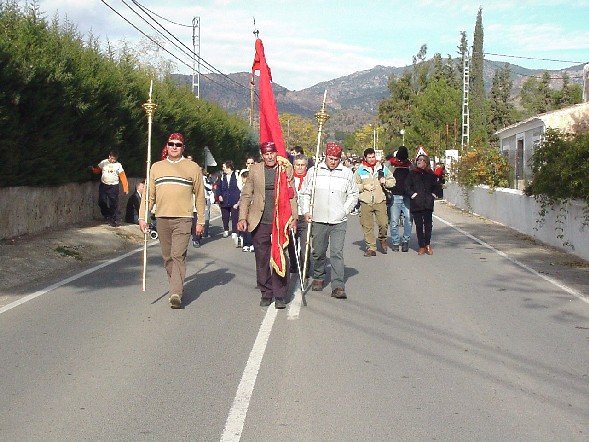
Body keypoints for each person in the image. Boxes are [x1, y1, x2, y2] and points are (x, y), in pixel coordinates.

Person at [138, 133, 205, 309]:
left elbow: (200, 196)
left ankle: (175, 293)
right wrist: (142, 217)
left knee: (178, 255)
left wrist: (201, 221)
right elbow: (148, 195)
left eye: (178, 144)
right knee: (167, 257)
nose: (174, 147)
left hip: (183, 218)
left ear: (183, 147)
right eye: (171, 144)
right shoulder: (156, 167)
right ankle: (176, 284)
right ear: (166, 146)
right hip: (162, 218)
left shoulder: (192, 168)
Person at [237, 141, 298, 309]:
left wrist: (294, 217)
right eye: (266, 154)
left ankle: (280, 294)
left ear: (276, 153)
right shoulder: (255, 170)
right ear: (262, 155)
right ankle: (266, 291)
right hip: (260, 220)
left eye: (272, 153)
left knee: (281, 257)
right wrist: (242, 217)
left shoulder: (285, 169)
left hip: (280, 220)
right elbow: (246, 195)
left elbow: (292, 195)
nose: (270, 156)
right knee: (262, 258)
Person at [299, 142, 359, 299]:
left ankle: (338, 285)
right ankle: (319, 276)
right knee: (318, 252)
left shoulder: (346, 173)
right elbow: (305, 193)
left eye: (336, 159)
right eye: (330, 158)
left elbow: (353, 194)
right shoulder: (314, 172)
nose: (333, 161)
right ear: (325, 156)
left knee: (336, 253)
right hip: (318, 219)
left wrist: (344, 210)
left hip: (338, 220)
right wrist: (306, 211)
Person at [354, 147, 396, 256]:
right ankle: (371, 247)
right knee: (367, 226)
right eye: (369, 157)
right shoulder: (360, 170)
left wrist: (385, 181)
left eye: (373, 157)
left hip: (380, 200)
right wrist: (364, 186)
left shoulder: (382, 168)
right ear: (365, 158)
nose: (372, 159)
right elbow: (353, 186)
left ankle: (382, 239)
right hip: (366, 201)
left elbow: (393, 182)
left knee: (383, 223)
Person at [405, 153, 442, 256]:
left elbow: (437, 186)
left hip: (428, 203)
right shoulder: (412, 173)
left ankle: (427, 244)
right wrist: (413, 195)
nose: (419, 161)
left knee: (428, 225)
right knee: (419, 226)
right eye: (418, 160)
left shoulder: (431, 174)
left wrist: (433, 195)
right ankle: (421, 245)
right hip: (416, 203)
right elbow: (407, 186)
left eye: (421, 160)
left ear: (426, 162)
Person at [91, 150, 129, 227]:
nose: (113, 160)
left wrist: (125, 188)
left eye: (114, 159)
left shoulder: (118, 165)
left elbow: (123, 176)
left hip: (113, 186)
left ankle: (113, 219)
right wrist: (93, 170)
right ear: (109, 156)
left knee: (113, 203)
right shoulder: (104, 162)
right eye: (111, 158)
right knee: (101, 201)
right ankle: (107, 214)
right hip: (104, 185)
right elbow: (98, 170)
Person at [387, 146, 413, 252]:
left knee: (408, 219)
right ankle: (396, 242)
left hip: (407, 196)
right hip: (395, 195)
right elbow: (385, 175)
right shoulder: (391, 164)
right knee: (394, 220)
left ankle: (405, 241)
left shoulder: (410, 166)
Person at [288, 154, 309, 274]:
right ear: (294, 166)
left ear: (306, 166)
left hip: (306, 216)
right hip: (292, 216)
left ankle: (305, 267)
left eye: (302, 165)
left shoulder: (311, 179)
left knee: (305, 244)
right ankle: (294, 265)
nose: (300, 167)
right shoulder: (290, 179)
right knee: (292, 243)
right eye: (297, 165)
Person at [217, 160, 241, 245]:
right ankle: (226, 230)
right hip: (224, 200)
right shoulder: (221, 177)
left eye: (224, 167)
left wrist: (239, 200)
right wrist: (219, 195)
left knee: (235, 217)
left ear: (229, 167)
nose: (223, 169)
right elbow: (218, 187)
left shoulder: (237, 175)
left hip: (234, 200)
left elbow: (240, 187)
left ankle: (234, 231)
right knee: (225, 217)